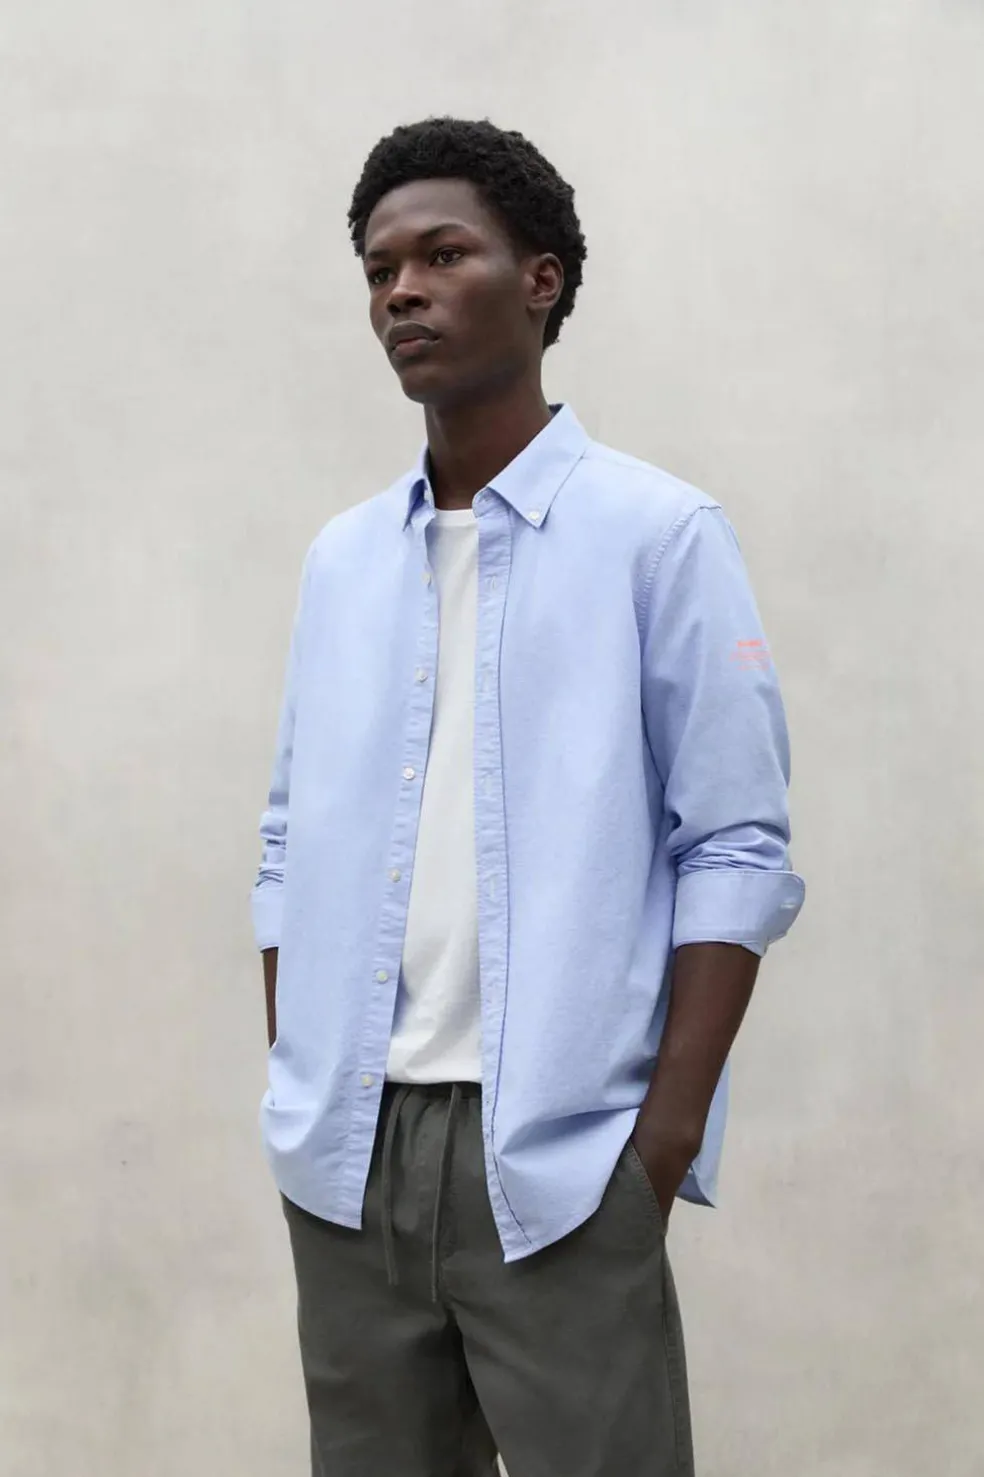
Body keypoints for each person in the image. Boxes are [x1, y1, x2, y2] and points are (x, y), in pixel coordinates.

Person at [251, 116, 805, 1477]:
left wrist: (657, 1145)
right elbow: (286, 842)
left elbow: (736, 845)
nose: (404, 293)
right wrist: (301, 1083)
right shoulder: (342, 563)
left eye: (444, 256)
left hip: (561, 1158)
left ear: (541, 280)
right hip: (350, 1156)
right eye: (381, 270)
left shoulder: (658, 536)